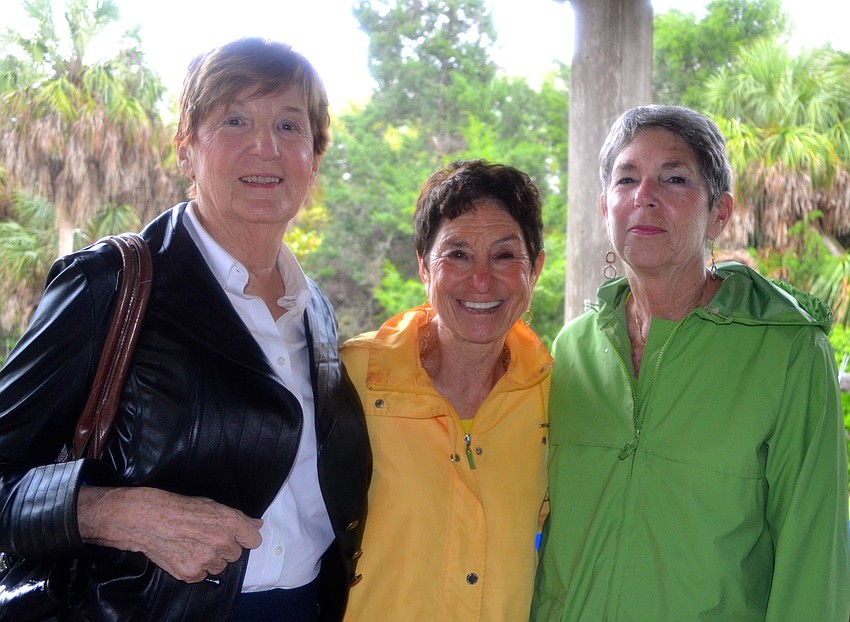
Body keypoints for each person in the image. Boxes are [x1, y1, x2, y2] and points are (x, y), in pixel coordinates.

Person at [0, 38, 371, 621]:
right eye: (235, 119)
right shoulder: (110, 284)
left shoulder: (315, 310)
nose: (265, 146)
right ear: (186, 148)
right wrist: (109, 513)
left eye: (290, 126)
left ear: (315, 156)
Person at [531, 105, 850, 621]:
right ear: (604, 208)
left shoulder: (787, 352)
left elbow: (814, 556)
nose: (644, 197)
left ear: (718, 213)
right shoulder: (572, 349)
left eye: (674, 179)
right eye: (626, 179)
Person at [341, 159, 553, 621]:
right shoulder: (350, 379)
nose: (481, 280)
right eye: (457, 254)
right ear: (423, 267)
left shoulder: (556, 399)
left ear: (534, 268)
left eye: (504, 255)